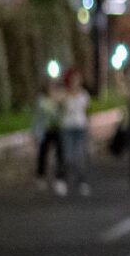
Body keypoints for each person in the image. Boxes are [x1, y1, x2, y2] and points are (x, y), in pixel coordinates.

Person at [58, 69, 92, 197]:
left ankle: (82, 181)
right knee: (68, 156)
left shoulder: (84, 95)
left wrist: (89, 126)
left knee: (80, 156)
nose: (76, 82)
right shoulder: (64, 94)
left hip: (80, 128)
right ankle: (62, 179)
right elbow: (57, 103)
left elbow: (87, 112)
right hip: (67, 128)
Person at [31, 79, 63, 191]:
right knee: (43, 154)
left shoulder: (60, 99)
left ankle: (59, 177)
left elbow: (62, 115)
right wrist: (35, 133)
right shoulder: (42, 101)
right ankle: (40, 176)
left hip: (57, 129)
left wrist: (59, 103)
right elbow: (37, 118)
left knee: (60, 154)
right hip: (45, 130)